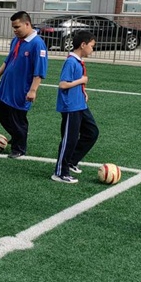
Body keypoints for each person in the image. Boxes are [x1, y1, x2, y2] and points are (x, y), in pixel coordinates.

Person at [0, 11, 48, 158]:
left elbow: (39, 71)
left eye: (17, 27)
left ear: (27, 24)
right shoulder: (16, 40)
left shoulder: (38, 44)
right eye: (13, 27)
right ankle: (17, 136)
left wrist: (33, 90)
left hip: (21, 88)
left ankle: (19, 148)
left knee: (18, 118)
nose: (15, 30)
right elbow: (8, 59)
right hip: (7, 85)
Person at [52, 30, 99, 184]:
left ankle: (72, 161)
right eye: (91, 46)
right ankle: (60, 172)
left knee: (92, 132)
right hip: (70, 106)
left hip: (80, 104)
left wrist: (82, 91)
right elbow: (63, 84)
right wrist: (81, 81)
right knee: (69, 139)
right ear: (83, 45)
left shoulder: (78, 61)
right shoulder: (71, 62)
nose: (93, 49)